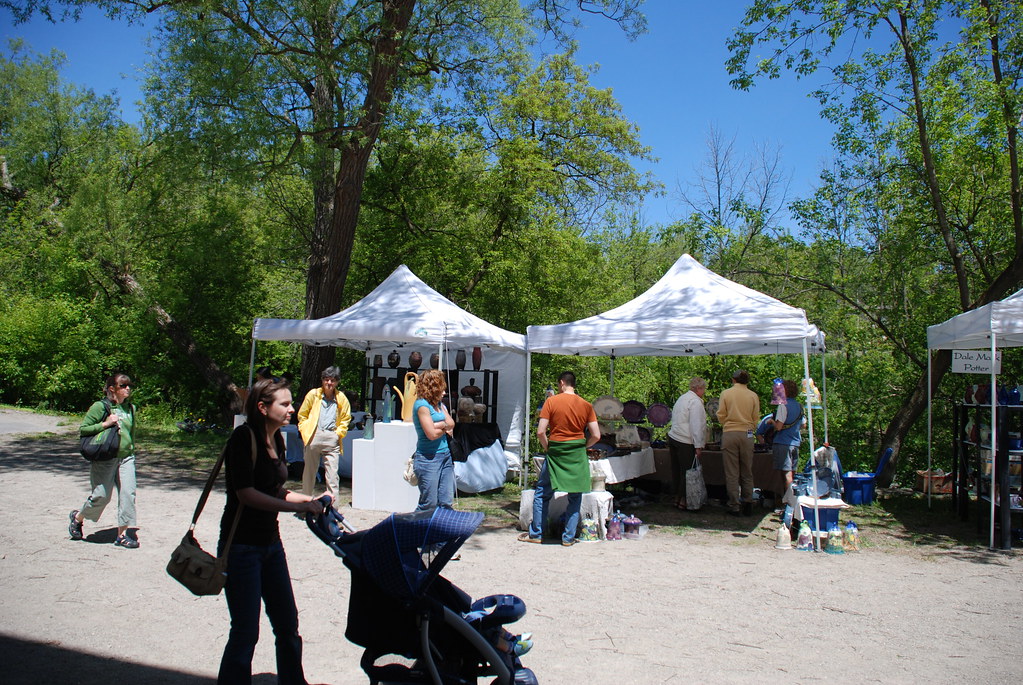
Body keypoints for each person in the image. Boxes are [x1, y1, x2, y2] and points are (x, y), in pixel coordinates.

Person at [217, 377, 328, 684]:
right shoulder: (243, 438)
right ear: (263, 408)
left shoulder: (277, 438)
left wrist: (308, 500)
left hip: (270, 545)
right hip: (241, 548)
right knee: (245, 631)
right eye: (285, 404)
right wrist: (295, 508)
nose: (292, 409)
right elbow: (246, 494)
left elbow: (274, 489)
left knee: (287, 623)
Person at [520, 371, 600, 547]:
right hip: (576, 453)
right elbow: (596, 435)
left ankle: (537, 533)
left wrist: (547, 447)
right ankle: (568, 537)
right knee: (575, 495)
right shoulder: (586, 405)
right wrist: (584, 446)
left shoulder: (551, 402)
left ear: (562, 383)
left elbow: (540, 431)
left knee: (542, 493)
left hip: (556, 452)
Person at [68, 372, 140, 548]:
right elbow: (84, 429)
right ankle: (78, 517)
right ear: (112, 389)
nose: (128, 388)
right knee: (101, 496)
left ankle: (122, 535)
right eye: (123, 386)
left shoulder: (131, 408)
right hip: (106, 457)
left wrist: (131, 450)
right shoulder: (100, 407)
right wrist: (106, 424)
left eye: (129, 385)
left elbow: (131, 434)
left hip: (126, 458)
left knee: (128, 494)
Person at [297, 366, 352, 500]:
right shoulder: (313, 394)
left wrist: (338, 434)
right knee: (309, 474)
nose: (329, 383)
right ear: (322, 380)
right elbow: (302, 414)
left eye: (332, 380)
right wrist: (305, 430)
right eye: (326, 380)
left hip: (331, 438)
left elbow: (346, 418)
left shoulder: (341, 398)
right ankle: (306, 504)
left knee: (332, 477)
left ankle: (333, 508)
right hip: (313, 436)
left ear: (337, 382)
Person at [716, 370, 761, 517]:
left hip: (730, 432)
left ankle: (734, 505)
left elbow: (721, 414)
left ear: (733, 379)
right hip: (747, 433)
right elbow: (756, 417)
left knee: (732, 472)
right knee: (747, 470)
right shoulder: (753, 395)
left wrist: (726, 423)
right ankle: (748, 502)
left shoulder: (726, 393)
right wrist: (750, 427)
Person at [412, 369, 456, 511]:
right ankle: (414, 524)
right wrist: (443, 426)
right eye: (441, 389)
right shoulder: (421, 405)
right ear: (432, 388)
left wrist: (438, 425)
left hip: (445, 456)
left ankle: (443, 524)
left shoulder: (439, 405)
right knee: (429, 503)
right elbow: (431, 434)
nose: (444, 393)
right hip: (428, 459)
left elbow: (452, 423)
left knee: (446, 501)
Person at [667, 377, 707, 510]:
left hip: (674, 436)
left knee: (677, 470)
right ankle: (684, 499)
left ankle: (677, 498)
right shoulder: (695, 402)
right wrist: (698, 445)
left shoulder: (682, 398)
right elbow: (696, 425)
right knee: (688, 472)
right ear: (699, 389)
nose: (704, 392)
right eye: (703, 389)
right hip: (685, 440)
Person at [770, 379, 803, 513]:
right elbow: (803, 424)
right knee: (792, 474)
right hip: (796, 442)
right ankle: (792, 502)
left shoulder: (783, 406)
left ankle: (790, 505)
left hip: (783, 442)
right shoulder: (800, 406)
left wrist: (772, 422)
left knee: (786, 475)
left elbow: (779, 426)